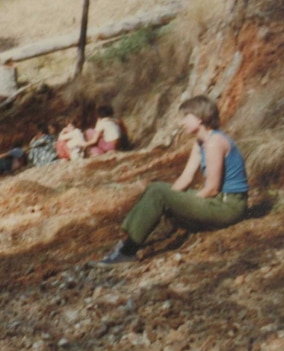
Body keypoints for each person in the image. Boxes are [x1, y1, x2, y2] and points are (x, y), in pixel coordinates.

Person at [95, 95, 249, 266]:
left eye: (185, 117)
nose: (182, 122)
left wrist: (177, 202)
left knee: (159, 192)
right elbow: (186, 177)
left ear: (199, 119)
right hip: (219, 200)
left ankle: (127, 250)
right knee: (157, 189)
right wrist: (172, 201)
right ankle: (128, 239)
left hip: (229, 206)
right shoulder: (201, 142)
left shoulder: (214, 143)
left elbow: (212, 189)